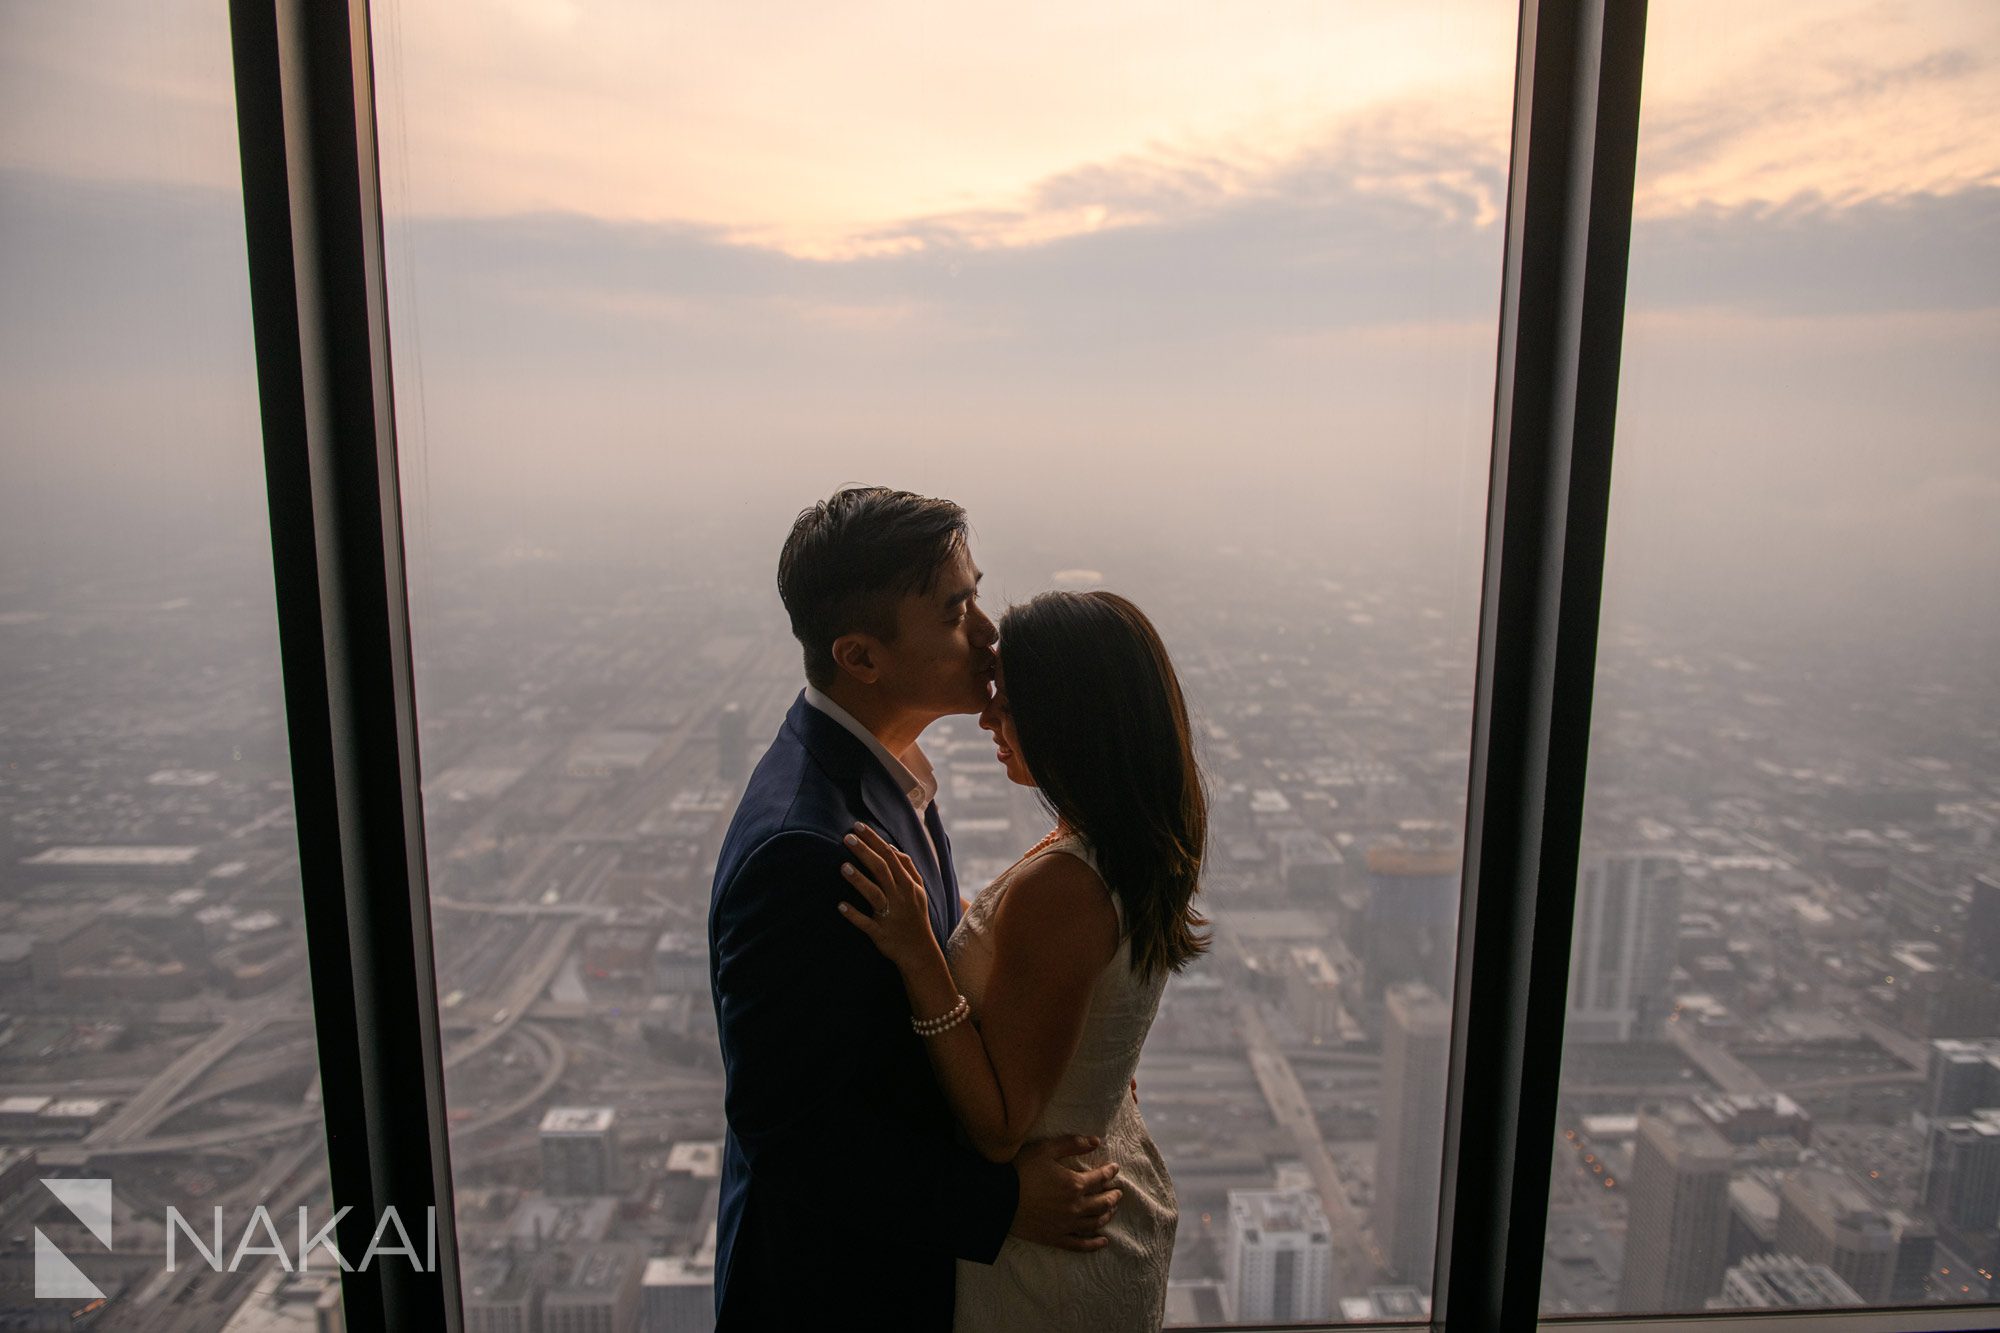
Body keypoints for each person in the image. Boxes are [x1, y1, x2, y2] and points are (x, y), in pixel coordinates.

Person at [708, 488, 1125, 1332]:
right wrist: (1001, 1202)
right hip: (836, 1298)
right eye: (954, 610)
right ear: (861, 657)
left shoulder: (881, 774)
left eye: (975, 594)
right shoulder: (804, 848)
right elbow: (792, 1135)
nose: (986, 632)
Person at [839, 588, 1207, 1332]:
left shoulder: (1064, 886)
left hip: (1047, 1261)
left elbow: (1000, 1127)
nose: (988, 717)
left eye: (1009, 700)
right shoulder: (1126, 843)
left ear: (1069, 719)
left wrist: (920, 954)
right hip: (1093, 1205)